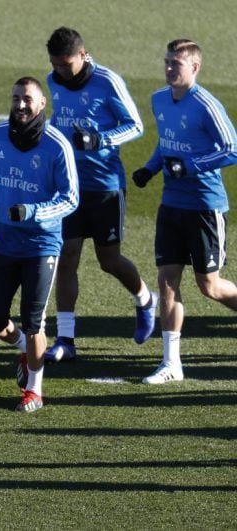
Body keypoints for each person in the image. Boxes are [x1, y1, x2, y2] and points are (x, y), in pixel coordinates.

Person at [43, 27, 156, 363]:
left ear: (83, 54)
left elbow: (135, 125)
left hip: (105, 185)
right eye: (55, 65)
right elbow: (59, 120)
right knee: (67, 257)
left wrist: (100, 139)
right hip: (69, 186)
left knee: (109, 261)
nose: (60, 71)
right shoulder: (53, 81)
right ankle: (65, 339)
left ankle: (145, 298)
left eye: (66, 64)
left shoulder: (107, 81)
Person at [130, 39, 237, 384]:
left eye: (176, 63)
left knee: (210, 286)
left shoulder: (206, 104)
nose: (169, 68)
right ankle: (171, 363)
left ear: (195, 67)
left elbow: (232, 149)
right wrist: (151, 168)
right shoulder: (160, 99)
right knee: (167, 281)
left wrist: (189, 167)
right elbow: (166, 141)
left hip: (205, 207)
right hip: (171, 205)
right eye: (167, 62)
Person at [0, 77, 79, 413]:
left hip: (41, 245)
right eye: (16, 98)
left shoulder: (56, 145)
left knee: (34, 321)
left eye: (28, 99)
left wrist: (32, 212)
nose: (21, 105)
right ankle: (24, 348)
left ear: (42, 104)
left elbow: (71, 199)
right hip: (3, 242)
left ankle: (34, 390)